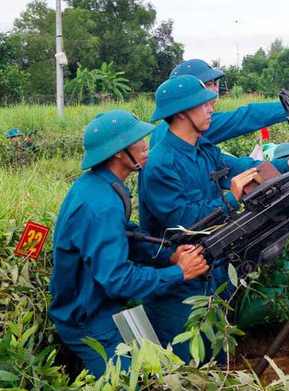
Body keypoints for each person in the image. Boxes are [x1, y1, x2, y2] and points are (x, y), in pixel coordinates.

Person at [138, 75, 289, 363]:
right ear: (182, 112)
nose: (211, 107)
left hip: (213, 270)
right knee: (188, 365)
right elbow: (182, 223)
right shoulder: (160, 163)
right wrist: (230, 198)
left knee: (219, 359)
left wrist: (285, 165)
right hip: (179, 284)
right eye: (203, 104)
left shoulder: (203, 148)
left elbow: (240, 169)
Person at [48, 110, 209, 377]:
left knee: (152, 373)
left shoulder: (101, 185)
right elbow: (117, 278)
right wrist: (178, 273)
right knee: (129, 382)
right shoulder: (102, 205)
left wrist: (168, 254)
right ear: (118, 153)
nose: (146, 144)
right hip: (87, 321)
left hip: (99, 309)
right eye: (137, 140)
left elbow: (126, 235)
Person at [150, 59, 289, 148]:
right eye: (208, 84)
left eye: (214, 84)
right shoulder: (189, 126)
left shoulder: (165, 129)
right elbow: (244, 117)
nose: (215, 90)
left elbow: (216, 160)